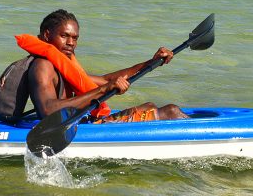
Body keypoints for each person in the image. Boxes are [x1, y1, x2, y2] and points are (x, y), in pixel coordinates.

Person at [25, 9, 189, 123]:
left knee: (150, 106)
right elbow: (47, 111)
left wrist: (151, 63)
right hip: (66, 130)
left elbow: (105, 80)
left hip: (82, 122)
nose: (71, 43)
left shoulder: (62, 63)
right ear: (47, 35)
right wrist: (104, 89)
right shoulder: (43, 66)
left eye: (75, 38)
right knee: (171, 112)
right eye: (64, 36)